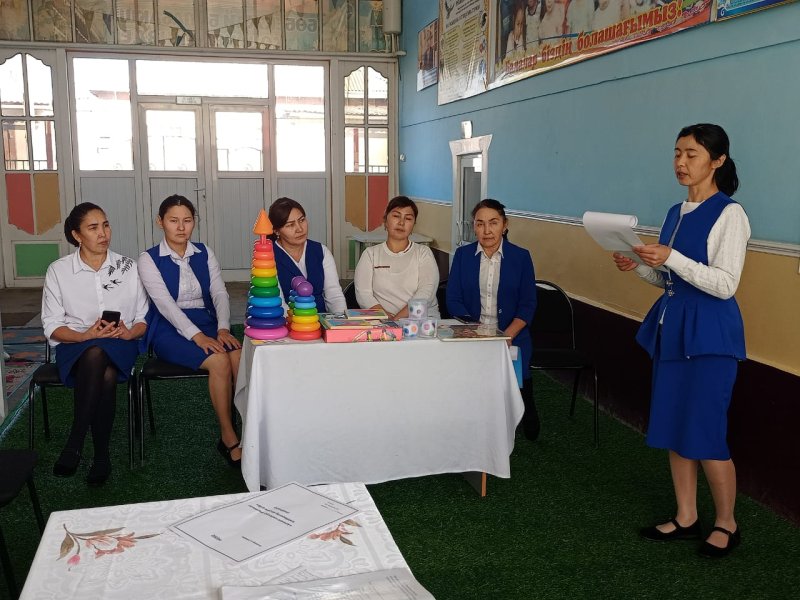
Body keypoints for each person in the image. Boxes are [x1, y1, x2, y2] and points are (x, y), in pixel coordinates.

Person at [614, 123, 750, 558]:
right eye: (677, 153)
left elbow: (724, 284)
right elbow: (670, 280)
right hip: (672, 330)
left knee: (706, 432)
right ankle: (687, 516)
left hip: (710, 336)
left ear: (718, 161)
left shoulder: (730, 214)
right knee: (674, 426)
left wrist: (671, 256)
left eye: (692, 154)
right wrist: (638, 266)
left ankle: (727, 522)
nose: (681, 162)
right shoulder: (675, 212)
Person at [41, 202, 149, 485]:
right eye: (93, 228)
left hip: (121, 343)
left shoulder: (129, 268)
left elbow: (143, 318)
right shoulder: (59, 271)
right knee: (103, 367)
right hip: (74, 345)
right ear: (77, 235)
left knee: (99, 353)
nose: (103, 233)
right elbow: (52, 325)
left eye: (106, 225)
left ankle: (75, 442)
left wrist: (130, 333)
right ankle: (101, 456)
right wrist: (84, 336)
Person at [138, 195, 243, 467]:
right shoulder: (148, 259)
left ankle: (249, 429)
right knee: (219, 361)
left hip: (207, 321)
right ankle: (228, 436)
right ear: (160, 222)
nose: (181, 227)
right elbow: (165, 304)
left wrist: (223, 328)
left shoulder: (204, 252)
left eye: (187, 220)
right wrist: (197, 336)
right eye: (173, 220)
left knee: (237, 356)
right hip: (168, 327)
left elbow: (219, 293)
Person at [446, 199, 539, 440]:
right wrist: (475, 330)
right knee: (471, 386)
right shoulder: (463, 255)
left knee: (518, 385)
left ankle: (525, 412)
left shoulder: (521, 257)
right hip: (472, 333)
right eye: (480, 224)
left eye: (493, 223)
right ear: (474, 227)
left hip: (512, 335)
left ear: (504, 225)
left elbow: (528, 304)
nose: (487, 230)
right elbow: (453, 299)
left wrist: (507, 335)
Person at [354, 196, 440, 320]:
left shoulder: (423, 253)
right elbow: (364, 295)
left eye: (408, 218)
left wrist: (397, 320)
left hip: (421, 323)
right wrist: (387, 318)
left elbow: (426, 293)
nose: (401, 223)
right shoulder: (370, 254)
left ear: (413, 225)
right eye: (396, 216)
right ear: (385, 220)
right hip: (382, 321)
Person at [268, 197, 346, 314]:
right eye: (290, 225)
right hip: (285, 321)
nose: (299, 229)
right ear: (276, 231)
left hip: (320, 320)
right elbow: (278, 303)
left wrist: (340, 320)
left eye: (302, 220)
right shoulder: (268, 257)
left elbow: (334, 295)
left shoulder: (321, 251)